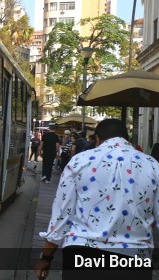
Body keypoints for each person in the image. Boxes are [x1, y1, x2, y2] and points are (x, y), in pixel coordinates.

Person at [34, 119, 159, 280]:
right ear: (127, 139)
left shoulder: (80, 161)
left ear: (98, 139)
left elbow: (61, 214)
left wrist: (46, 257)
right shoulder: (152, 165)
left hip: (82, 254)